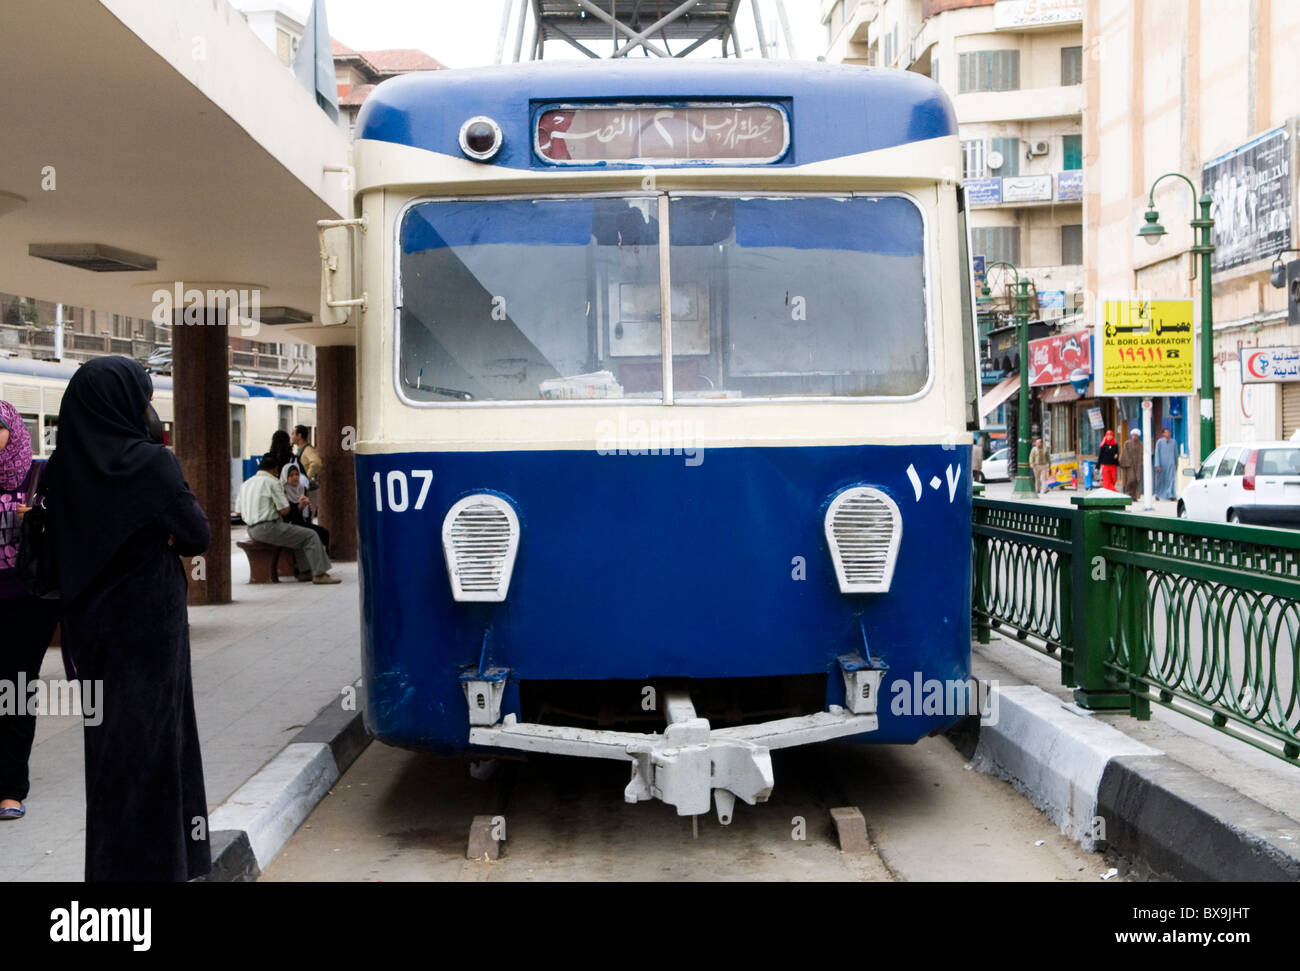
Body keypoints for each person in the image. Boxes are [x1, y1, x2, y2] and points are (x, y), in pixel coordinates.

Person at [43, 357, 211, 881]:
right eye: (143, 395)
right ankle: (164, 870)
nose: (149, 407)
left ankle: (111, 876)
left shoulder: (61, 469)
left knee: (110, 750)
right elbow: (197, 534)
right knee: (159, 744)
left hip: (92, 630)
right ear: (124, 403)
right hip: (149, 626)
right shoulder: (150, 464)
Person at [0, 401, 60, 822]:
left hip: (28, 598)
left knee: (16, 688)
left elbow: (70, 521)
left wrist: (38, 517)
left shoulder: (39, 474)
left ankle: (10, 789)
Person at [238, 454, 340, 584]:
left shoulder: (246, 483)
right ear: (275, 469)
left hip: (251, 529)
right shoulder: (272, 482)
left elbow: (239, 511)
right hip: (268, 528)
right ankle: (320, 574)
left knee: (298, 533)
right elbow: (284, 510)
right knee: (310, 535)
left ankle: (305, 571)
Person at [284, 464, 329, 552]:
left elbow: (306, 518)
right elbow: (287, 517)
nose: (295, 477)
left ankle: (322, 558)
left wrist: (308, 509)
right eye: (291, 475)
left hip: (302, 524)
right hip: (289, 526)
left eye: (297, 474)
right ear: (286, 477)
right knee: (313, 534)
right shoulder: (283, 492)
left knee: (324, 533)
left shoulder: (301, 489)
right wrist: (299, 507)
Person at [291, 424, 322, 490]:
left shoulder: (308, 449)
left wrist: (306, 478)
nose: (291, 436)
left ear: (299, 436)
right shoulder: (301, 450)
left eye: (293, 433)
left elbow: (316, 462)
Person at [1155, 428, 1178, 500]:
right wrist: (1157, 464)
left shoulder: (1173, 442)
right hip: (1162, 464)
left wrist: (1176, 464)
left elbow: (1175, 453)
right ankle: (1159, 494)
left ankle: (1170, 495)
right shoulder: (1159, 442)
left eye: (1169, 432)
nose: (1168, 434)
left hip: (1171, 464)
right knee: (1161, 480)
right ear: (1163, 434)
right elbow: (1157, 453)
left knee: (1171, 479)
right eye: (1166, 432)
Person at [1120, 428, 1143, 501]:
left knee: (1137, 479)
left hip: (1138, 464)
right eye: (1133, 435)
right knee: (1131, 479)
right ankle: (1128, 493)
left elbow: (1142, 454)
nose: (1134, 437)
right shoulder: (1127, 443)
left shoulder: (1140, 444)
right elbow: (1124, 453)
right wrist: (1126, 463)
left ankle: (1135, 496)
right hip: (1130, 465)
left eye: (1136, 435)